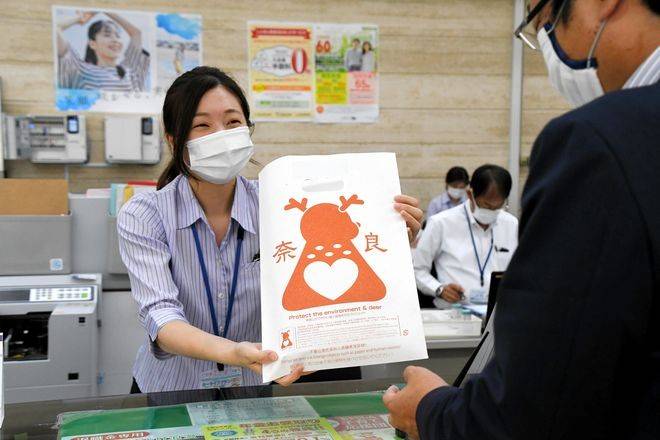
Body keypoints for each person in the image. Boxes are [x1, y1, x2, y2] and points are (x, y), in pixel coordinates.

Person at [384, 0, 660, 438]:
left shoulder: (600, 142)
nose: (546, 43)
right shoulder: (443, 222)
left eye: (543, 18)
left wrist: (430, 410)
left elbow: (536, 403)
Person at [117, 66, 424, 393]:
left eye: (233, 122)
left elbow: (328, 268)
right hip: (171, 390)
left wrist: (393, 240)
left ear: (248, 131)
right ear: (174, 139)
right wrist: (233, 351)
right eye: (202, 125)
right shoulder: (145, 215)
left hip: (256, 388)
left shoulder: (279, 203)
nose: (221, 135)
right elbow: (162, 317)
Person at [414, 165, 518, 309]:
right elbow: (417, 269)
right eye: (487, 206)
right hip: (454, 313)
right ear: (470, 195)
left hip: (497, 313)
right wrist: (439, 289)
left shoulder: (511, 224)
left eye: (498, 207)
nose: (492, 211)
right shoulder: (441, 223)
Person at [57, 10, 150, 91]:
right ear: (92, 44)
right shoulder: (80, 70)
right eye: (107, 35)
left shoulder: (131, 71)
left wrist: (105, 10)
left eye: (117, 35)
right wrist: (80, 18)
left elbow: (136, 33)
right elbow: (55, 28)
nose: (115, 40)